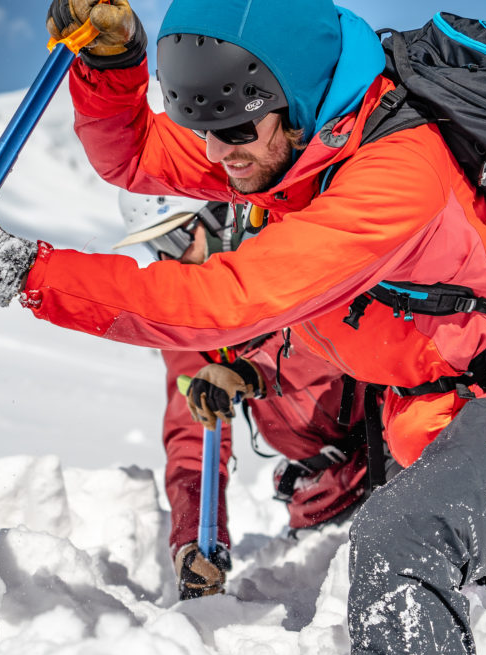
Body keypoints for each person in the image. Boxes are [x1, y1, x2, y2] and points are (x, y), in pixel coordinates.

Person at [0, 0, 486, 655]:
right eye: (206, 130)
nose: (219, 154)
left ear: (297, 99)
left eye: (236, 130)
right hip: (455, 410)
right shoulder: (287, 147)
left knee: (403, 537)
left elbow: (222, 301)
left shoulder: (394, 177)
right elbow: (134, 156)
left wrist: (22, 268)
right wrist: (111, 64)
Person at [114, 190, 374, 600]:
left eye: (176, 241)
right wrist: (195, 540)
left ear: (221, 221)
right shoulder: (191, 324)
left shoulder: (298, 254)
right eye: (156, 248)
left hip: (400, 446)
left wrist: (251, 370)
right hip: (329, 487)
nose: (169, 262)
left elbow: (342, 340)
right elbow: (192, 439)